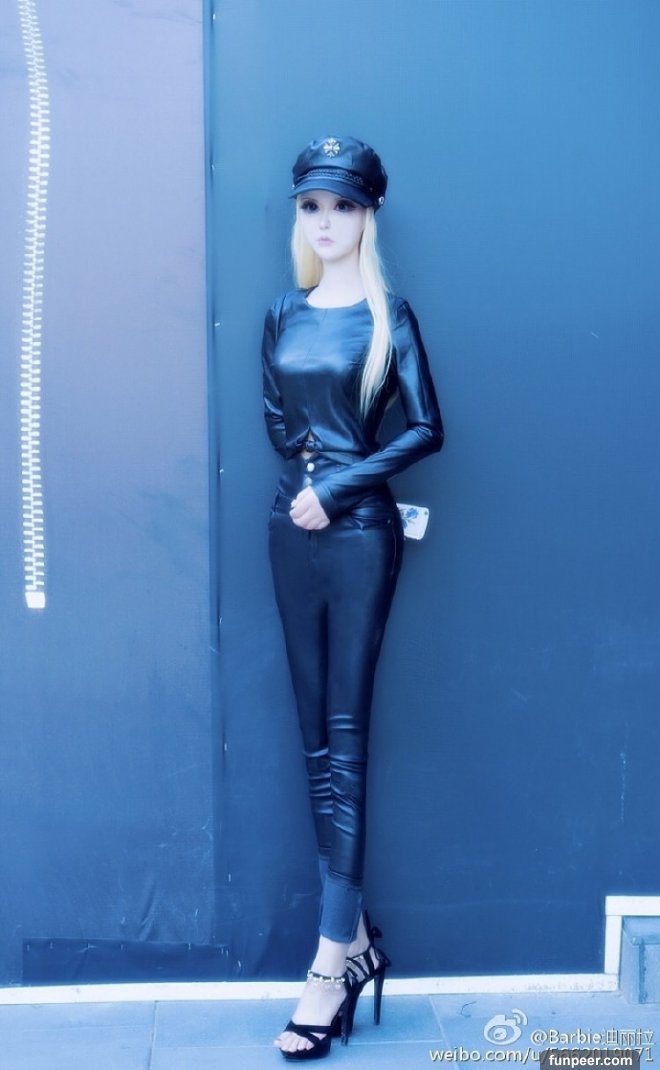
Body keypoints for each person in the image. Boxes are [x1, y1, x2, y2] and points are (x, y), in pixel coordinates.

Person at [262, 134, 444, 1061]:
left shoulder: (388, 315)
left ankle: (330, 965)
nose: (326, 221)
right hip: (288, 532)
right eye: (312, 206)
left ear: (369, 214)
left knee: (347, 740)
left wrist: (336, 487)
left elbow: (427, 427)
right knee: (311, 744)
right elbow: (276, 420)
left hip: (360, 533)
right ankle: (360, 940)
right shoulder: (282, 313)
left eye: (343, 205)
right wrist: (307, 484)